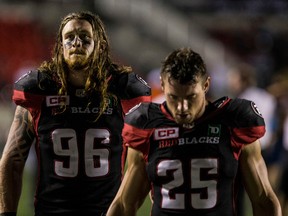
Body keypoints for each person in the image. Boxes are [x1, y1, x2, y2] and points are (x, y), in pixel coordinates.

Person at [0, 11, 151, 216]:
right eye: (69, 37)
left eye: (85, 37)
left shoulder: (123, 88)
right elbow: (12, 158)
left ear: (100, 45)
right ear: (60, 45)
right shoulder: (40, 88)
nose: (76, 42)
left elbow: (144, 160)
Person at [106, 48, 282, 216]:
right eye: (174, 97)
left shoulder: (233, 122)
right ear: (162, 85)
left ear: (206, 85)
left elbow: (263, 199)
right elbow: (124, 204)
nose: (182, 108)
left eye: (191, 97)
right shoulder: (146, 124)